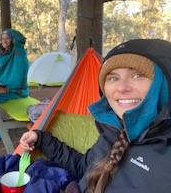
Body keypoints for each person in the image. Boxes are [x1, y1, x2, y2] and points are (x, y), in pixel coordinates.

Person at [20, 38, 171, 193]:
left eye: (137, 75)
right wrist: (42, 139)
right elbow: (85, 168)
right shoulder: (113, 131)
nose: (121, 87)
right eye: (113, 78)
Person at [0, 28, 30, 143]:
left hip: (15, 91)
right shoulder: (0, 53)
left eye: (8, 38)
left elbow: (18, 76)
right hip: (3, 87)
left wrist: (2, 85)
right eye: (3, 39)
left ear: (13, 40)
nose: (4, 41)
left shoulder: (18, 52)